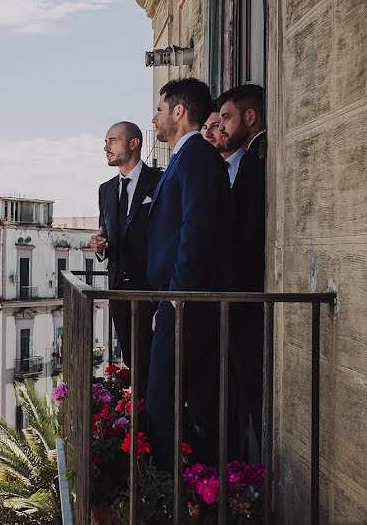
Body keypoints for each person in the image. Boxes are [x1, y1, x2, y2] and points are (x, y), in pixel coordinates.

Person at [145, 78, 235, 470]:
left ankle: (176, 491)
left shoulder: (196, 155)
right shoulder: (186, 157)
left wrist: (175, 295)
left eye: (161, 110)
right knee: (191, 399)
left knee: (161, 397)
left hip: (188, 302)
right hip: (179, 299)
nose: (155, 117)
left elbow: (194, 230)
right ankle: (197, 488)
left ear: (179, 112)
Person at [217, 83, 267, 455]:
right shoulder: (252, 157)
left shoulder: (254, 160)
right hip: (245, 292)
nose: (221, 125)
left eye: (228, 117)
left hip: (247, 292)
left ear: (250, 117)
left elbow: (247, 234)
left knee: (253, 387)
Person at [90, 121, 161, 387]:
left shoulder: (159, 181)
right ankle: (141, 422)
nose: (106, 147)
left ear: (134, 143)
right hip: (118, 290)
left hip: (151, 291)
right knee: (134, 362)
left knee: (155, 364)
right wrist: (99, 245)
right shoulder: (105, 190)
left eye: (112, 140)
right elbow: (106, 232)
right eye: (106, 141)